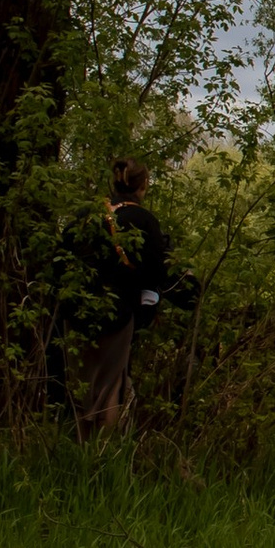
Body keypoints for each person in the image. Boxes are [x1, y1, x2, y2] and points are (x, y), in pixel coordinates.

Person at [72, 160, 188, 436]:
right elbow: (159, 268)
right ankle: (104, 452)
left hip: (77, 309)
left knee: (81, 384)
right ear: (143, 186)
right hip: (119, 310)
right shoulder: (143, 220)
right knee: (111, 384)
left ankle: (78, 448)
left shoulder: (88, 214)